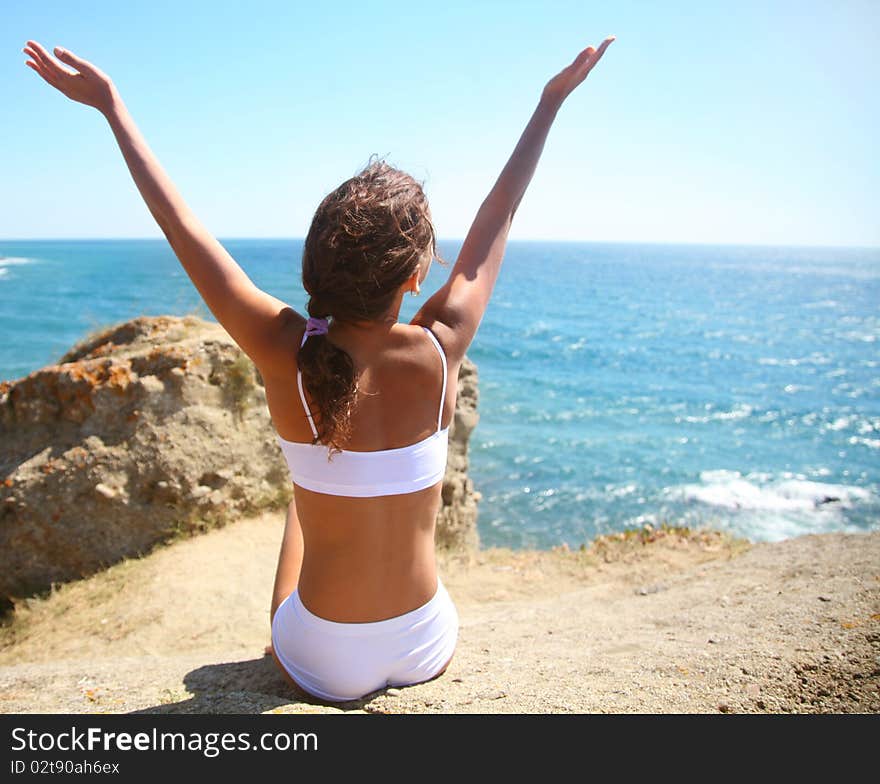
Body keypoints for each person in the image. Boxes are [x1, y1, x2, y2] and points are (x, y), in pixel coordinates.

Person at [23, 34, 615, 703]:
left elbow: (182, 228)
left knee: (299, 512)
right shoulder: (442, 348)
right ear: (418, 275)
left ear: (319, 262)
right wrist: (549, 104)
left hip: (323, 659)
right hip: (426, 641)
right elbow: (497, 219)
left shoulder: (286, 350)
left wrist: (111, 108)